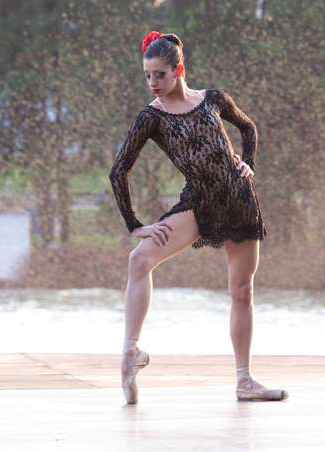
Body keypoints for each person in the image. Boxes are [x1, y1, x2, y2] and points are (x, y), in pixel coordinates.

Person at [109, 30, 288, 404]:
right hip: (199, 203)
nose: (152, 83)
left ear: (179, 70)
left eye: (160, 74)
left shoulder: (213, 99)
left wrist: (249, 167)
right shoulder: (151, 117)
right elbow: (119, 170)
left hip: (238, 199)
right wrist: (135, 224)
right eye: (147, 75)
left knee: (242, 291)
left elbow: (249, 128)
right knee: (139, 259)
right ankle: (129, 353)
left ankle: (244, 380)